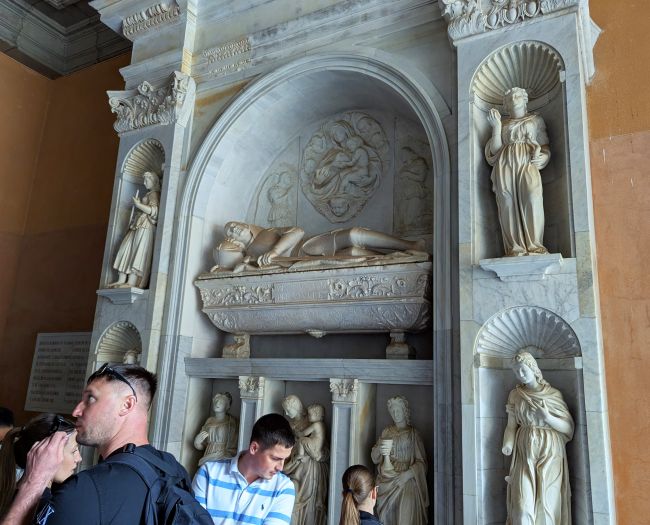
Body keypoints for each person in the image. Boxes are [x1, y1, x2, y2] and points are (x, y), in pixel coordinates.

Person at [1, 363, 202, 524]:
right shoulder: (173, 468)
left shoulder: (85, 491)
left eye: (90, 398)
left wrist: (34, 481)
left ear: (127, 405)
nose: (76, 411)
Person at [502, 351, 574, 524]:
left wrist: (547, 417)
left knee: (547, 508)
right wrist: (507, 444)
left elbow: (568, 428)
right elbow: (511, 426)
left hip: (551, 449)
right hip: (524, 449)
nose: (520, 374)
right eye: (516, 371)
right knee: (522, 508)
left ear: (533, 368)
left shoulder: (553, 395)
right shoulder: (515, 395)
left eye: (523, 370)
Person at [192, 413, 296, 525]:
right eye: (275, 458)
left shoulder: (283, 487)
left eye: (284, 459)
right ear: (254, 448)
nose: (280, 467)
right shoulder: (208, 473)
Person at [485, 87, 551, 257]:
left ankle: (535, 245)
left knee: (532, 197)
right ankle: (515, 248)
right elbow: (495, 150)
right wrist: (496, 127)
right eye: (510, 98)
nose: (514, 99)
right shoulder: (503, 124)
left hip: (528, 163)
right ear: (506, 105)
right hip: (505, 165)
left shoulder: (536, 120)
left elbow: (544, 145)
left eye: (518, 96)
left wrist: (544, 156)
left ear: (525, 100)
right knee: (507, 203)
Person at [211, 221, 425, 273]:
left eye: (234, 225)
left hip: (308, 245)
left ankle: (409, 245)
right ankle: (396, 257)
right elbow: (243, 268)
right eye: (231, 232)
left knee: (352, 234)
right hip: (301, 262)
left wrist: (274, 251)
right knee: (353, 254)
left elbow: (297, 232)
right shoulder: (249, 254)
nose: (234, 228)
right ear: (235, 241)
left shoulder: (267, 232)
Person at [0, 414, 81, 520]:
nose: (79, 458)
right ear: (45, 452)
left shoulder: (13, 495)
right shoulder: (45, 509)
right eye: (74, 451)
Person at [370, 395, 428, 525]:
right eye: (393, 411)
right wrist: (380, 448)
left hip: (407, 481)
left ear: (404, 411)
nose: (395, 414)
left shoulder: (413, 434)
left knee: (405, 517)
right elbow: (374, 458)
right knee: (386, 517)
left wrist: (408, 474)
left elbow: (422, 463)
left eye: (398, 410)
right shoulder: (387, 432)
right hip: (387, 478)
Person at [109, 171, 161, 288]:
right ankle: (121, 279)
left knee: (137, 252)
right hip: (138, 225)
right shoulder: (149, 194)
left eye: (146, 180)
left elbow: (154, 211)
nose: (144, 183)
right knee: (126, 249)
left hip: (145, 226)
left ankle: (131, 282)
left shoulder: (154, 194)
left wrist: (139, 205)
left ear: (154, 181)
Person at [282, 395, 329, 525]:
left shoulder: (312, 424)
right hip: (294, 466)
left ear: (296, 407)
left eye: (288, 410)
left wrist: (318, 455)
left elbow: (322, 447)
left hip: (311, 468)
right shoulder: (289, 426)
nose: (286, 413)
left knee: (311, 502)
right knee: (292, 499)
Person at [193, 392, 239, 466]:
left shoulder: (232, 422)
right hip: (207, 455)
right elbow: (203, 446)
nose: (217, 404)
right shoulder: (209, 420)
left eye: (221, 402)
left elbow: (234, 446)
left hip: (223, 457)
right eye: (216, 401)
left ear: (227, 406)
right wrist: (197, 443)